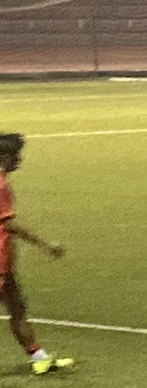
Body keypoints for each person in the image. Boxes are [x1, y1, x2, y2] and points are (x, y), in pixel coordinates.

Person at [0, 133, 72, 375]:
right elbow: (9, 225)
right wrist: (45, 245)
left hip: (5, 262)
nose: (19, 160)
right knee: (16, 308)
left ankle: (39, 358)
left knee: (17, 308)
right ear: (3, 157)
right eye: (15, 156)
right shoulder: (1, 186)